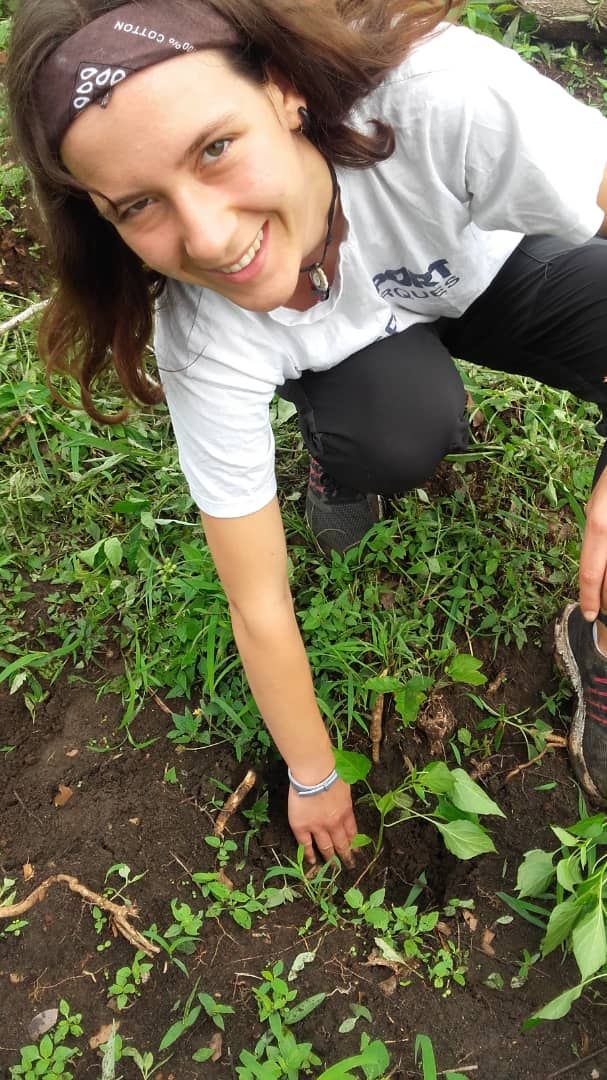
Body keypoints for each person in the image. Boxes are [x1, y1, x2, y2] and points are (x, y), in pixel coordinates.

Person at [7, 0, 607, 865]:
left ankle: (593, 631)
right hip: (361, 342)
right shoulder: (205, 334)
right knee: (398, 430)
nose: (209, 239)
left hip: (489, 264)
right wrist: (313, 772)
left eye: (215, 149)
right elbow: (256, 598)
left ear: (283, 90)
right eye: (139, 204)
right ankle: (343, 455)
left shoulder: (441, 100)